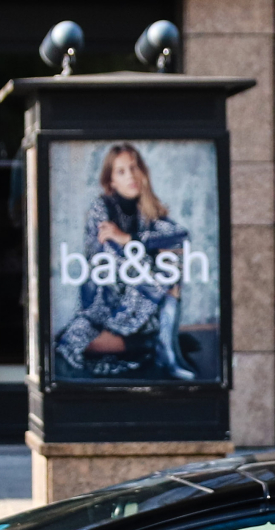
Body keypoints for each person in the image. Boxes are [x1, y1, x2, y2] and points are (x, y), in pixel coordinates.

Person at [52, 142, 195, 381]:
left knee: (172, 255)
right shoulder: (102, 209)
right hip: (107, 302)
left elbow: (179, 235)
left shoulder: (148, 209)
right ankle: (158, 342)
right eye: (121, 171)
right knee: (72, 342)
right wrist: (144, 250)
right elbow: (114, 264)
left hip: (142, 301)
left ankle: (163, 347)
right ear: (111, 182)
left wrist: (130, 239)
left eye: (134, 167)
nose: (131, 176)